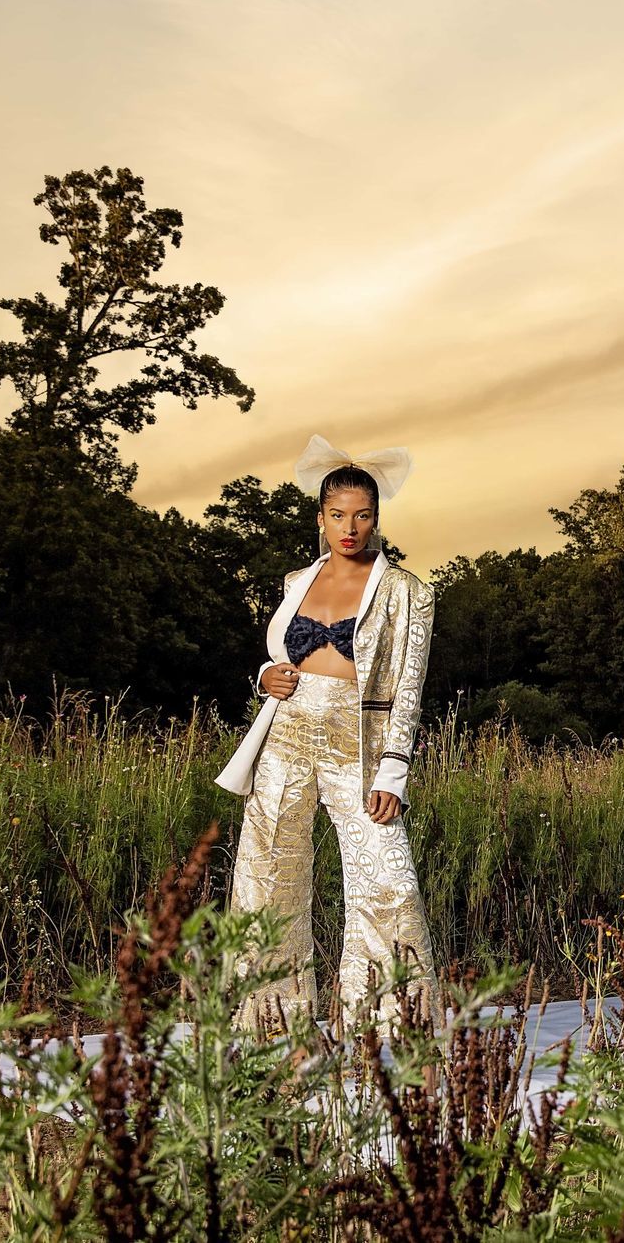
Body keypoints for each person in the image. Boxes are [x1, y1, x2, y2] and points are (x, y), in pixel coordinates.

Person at [218, 436, 439, 1027]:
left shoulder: (407, 593)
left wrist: (394, 769)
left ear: (376, 518)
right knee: (267, 878)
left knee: (389, 881)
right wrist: (265, 676)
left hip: (357, 748)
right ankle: (273, 1023)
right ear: (320, 519)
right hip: (285, 740)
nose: (350, 527)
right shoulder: (296, 580)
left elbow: (408, 688)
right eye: (338, 515)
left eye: (362, 515)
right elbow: (273, 655)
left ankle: (382, 1024)